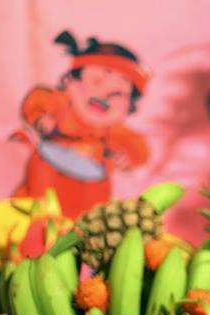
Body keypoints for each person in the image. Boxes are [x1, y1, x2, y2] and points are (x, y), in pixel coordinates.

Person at [14, 31, 149, 217]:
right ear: (71, 81)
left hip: (92, 189)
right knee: (33, 213)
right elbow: (39, 100)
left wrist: (128, 157)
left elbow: (135, 145)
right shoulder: (62, 104)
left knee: (89, 218)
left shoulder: (112, 130)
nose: (104, 96)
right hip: (47, 175)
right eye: (96, 82)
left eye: (117, 95)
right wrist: (41, 118)